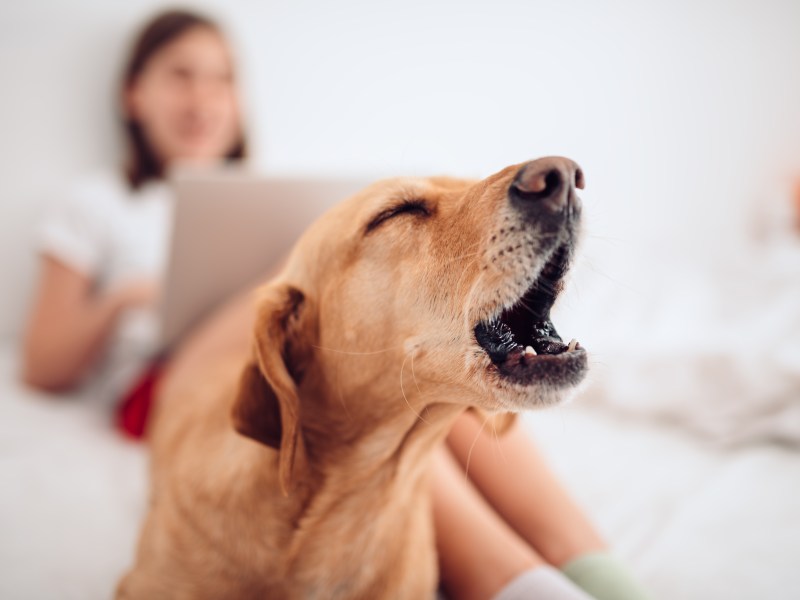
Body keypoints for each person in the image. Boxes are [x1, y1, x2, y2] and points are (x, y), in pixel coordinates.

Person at [21, 9, 647, 600]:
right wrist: (130, 297)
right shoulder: (97, 203)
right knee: (371, 403)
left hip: (313, 341)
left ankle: (600, 573)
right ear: (134, 95)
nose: (203, 97)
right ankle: (521, 583)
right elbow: (42, 362)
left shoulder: (273, 190)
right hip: (172, 371)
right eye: (181, 75)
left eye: (221, 78)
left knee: (422, 380)